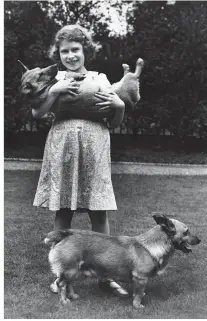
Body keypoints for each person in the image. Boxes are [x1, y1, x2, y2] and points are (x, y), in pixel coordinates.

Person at [32, 24, 128, 297]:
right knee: (63, 209)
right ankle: (60, 276)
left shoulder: (100, 78)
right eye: (65, 51)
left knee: (99, 210)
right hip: (63, 143)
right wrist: (54, 91)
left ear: (86, 51)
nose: (71, 55)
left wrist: (119, 107)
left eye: (76, 50)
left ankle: (105, 276)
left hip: (95, 143)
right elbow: (37, 113)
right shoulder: (52, 78)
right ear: (58, 53)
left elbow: (115, 121)